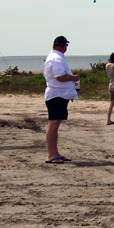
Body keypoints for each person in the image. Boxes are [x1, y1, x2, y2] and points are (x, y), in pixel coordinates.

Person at [43, 35, 79, 164]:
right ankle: (51, 155)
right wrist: (73, 78)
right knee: (53, 124)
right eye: (66, 45)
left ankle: (55, 153)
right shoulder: (55, 59)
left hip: (59, 95)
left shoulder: (56, 57)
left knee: (55, 124)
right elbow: (59, 77)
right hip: (56, 95)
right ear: (63, 46)